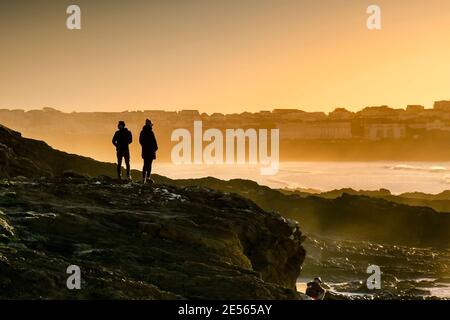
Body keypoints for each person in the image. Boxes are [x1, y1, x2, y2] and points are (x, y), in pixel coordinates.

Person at [139, 119, 158, 183]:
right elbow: (154, 141)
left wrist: (144, 146)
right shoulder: (150, 132)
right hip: (150, 151)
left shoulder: (142, 132)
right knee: (149, 164)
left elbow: (140, 141)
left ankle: (144, 178)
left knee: (145, 164)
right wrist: (155, 148)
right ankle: (147, 178)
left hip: (145, 150)